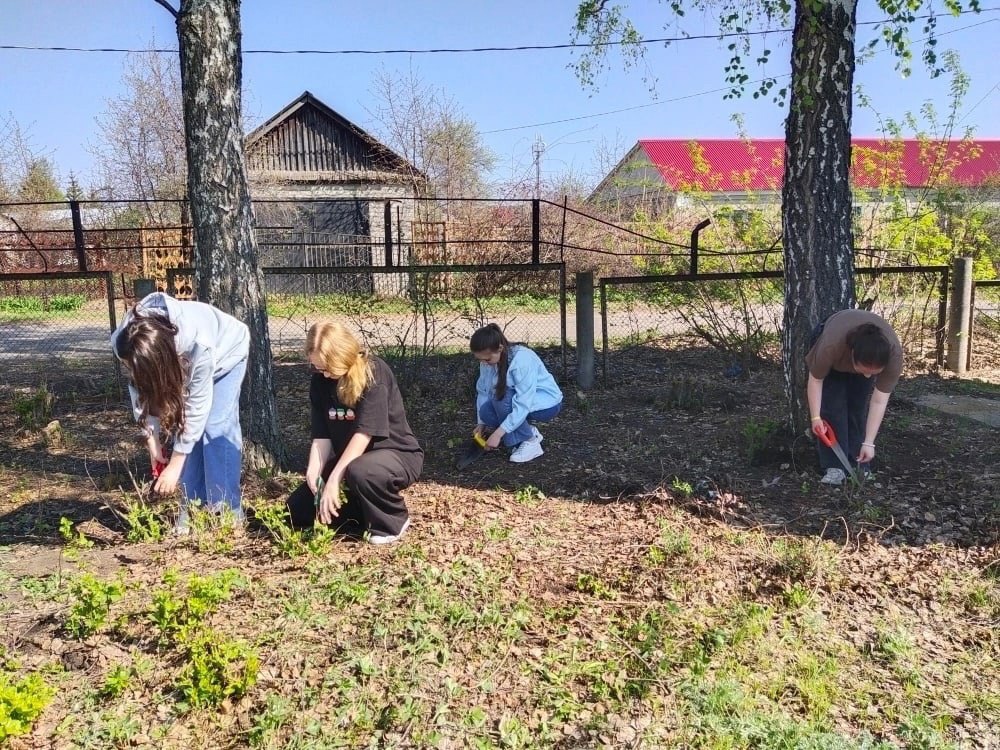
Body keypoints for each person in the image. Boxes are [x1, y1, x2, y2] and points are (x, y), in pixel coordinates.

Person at [111, 291, 249, 531]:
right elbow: (140, 390)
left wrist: (174, 468)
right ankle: (192, 511)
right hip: (178, 361)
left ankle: (227, 514)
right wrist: (151, 440)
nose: (130, 372)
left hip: (227, 352)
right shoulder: (125, 342)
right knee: (182, 429)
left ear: (162, 361)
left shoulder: (198, 343)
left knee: (214, 426)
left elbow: (197, 410)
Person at [285, 322, 422, 544]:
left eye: (328, 367)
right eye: (318, 367)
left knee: (361, 471)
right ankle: (364, 511)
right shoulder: (320, 381)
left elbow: (363, 435)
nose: (325, 374)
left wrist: (335, 479)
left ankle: (392, 522)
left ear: (344, 355)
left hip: (394, 454)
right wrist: (314, 473)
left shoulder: (374, 371)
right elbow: (322, 436)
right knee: (296, 512)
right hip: (349, 461)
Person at [805, 309, 903, 485]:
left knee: (857, 407)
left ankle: (859, 463)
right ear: (852, 357)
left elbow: (879, 400)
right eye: (864, 371)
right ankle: (834, 467)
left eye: (873, 374)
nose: (868, 377)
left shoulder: (893, 356)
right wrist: (815, 417)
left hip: (867, 353)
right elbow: (816, 381)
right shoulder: (830, 346)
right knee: (833, 407)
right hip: (834, 343)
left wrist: (869, 443)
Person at [470, 323, 563, 464]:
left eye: (487, 359)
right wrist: (481, 424)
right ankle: (527, 431)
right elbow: (483, 392)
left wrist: (497, 434)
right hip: (516, 403)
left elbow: (523, 403)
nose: (483, 363)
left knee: (500, 399)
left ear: (500, 348)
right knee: (486, 413)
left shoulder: (522, 360)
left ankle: (530, 442)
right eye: (480, 359)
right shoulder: (487, 362)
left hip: (546, 405)